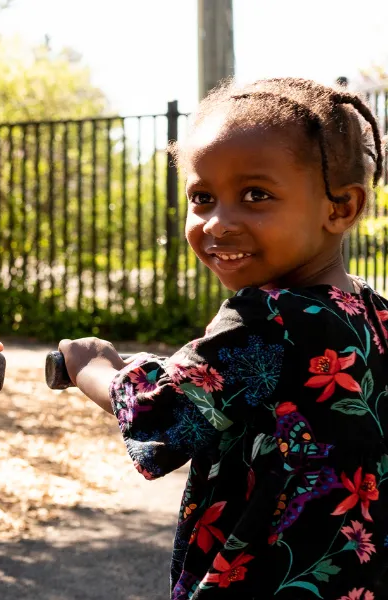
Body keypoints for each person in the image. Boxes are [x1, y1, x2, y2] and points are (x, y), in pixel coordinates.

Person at [57, 77, 387, 598]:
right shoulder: (374, 314)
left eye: (256, 195)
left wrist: (93, 366)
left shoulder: (266, 316)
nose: (217, 222)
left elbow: (162, 411)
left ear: (340, 207)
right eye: (202, 196)